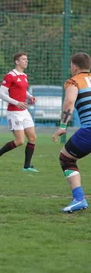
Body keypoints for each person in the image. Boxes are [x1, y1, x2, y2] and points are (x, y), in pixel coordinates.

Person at [52, 52, 91, 213]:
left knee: (66, 159)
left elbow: (69, 101)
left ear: (74, 66)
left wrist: (62, 125)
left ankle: (79, 199)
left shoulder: (73, 81)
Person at [0, 52, 38, 172]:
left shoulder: (24, 76)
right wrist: (16, 102)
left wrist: (30, 97)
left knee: (32, 138)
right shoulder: (10, 76)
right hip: (14, 112)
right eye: (23, 59)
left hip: (24, 111)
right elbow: (1, 94)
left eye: (27, 59)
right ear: (17, 62)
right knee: (20, 141)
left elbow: (23, 90)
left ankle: (26, 166)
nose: (26, 61)